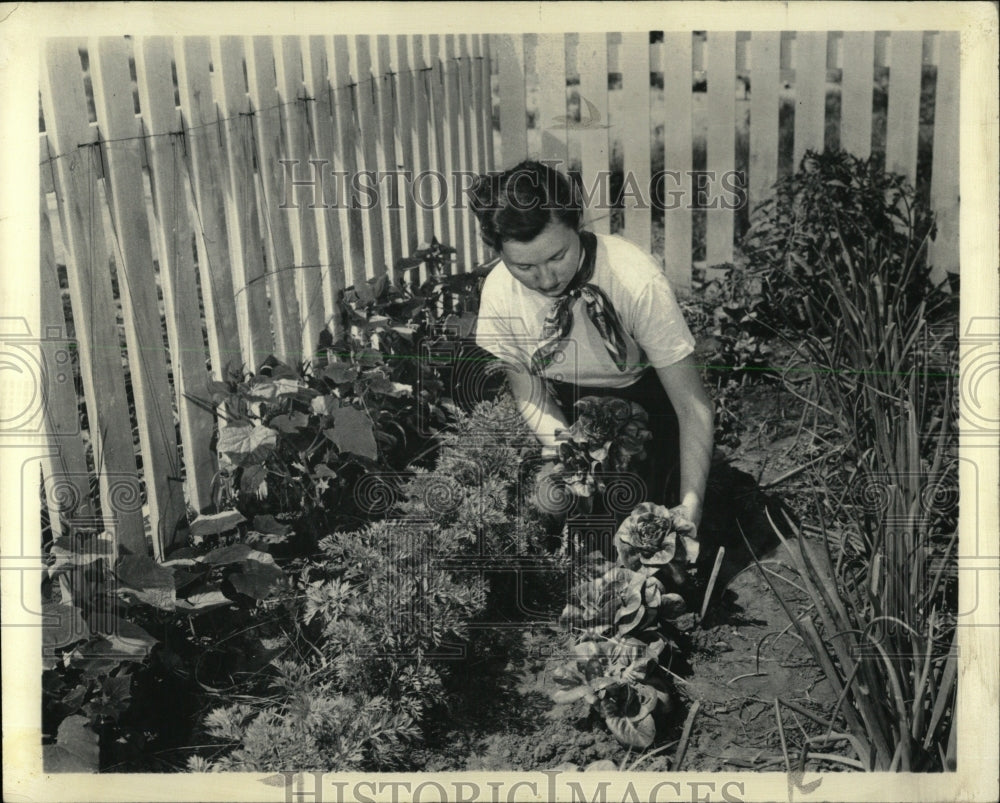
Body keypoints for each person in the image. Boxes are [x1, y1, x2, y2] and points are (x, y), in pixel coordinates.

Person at [469, 161, 714, 547]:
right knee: (547, 504)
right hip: (561, 405)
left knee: (642, 531)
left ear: (577, 225)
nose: (547, 279)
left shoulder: (634, 279)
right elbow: (527, 389)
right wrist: (570, 459)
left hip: (644, 400)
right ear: (498, 251)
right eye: (525, 266)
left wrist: (690, 506)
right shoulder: (501, 292)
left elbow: (692, 405)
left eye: (557, 257)